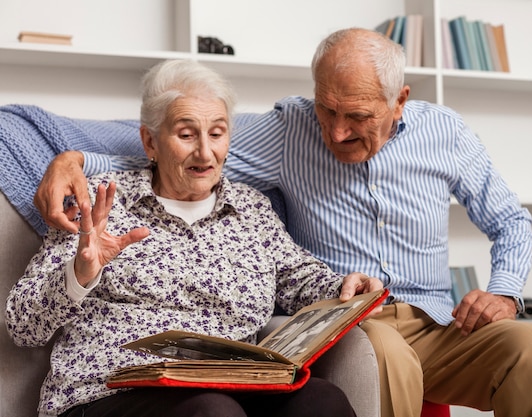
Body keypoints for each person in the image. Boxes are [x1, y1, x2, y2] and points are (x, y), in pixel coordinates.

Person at [32, 28, 532, 417]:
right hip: (358, 325)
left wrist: (503, 292)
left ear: (399, 102)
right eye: (325, 110)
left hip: (437, 318)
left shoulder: (444, 133)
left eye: (356, 116)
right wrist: (72, 159)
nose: (335, 133)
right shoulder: (289, 132)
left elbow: (509, 219)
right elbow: (168, 143)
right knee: (383, 359)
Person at [5, 59, 384, 417]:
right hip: (110, 392)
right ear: (150, 142)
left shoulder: (251, 209)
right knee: (213, 411)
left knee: (321, 400)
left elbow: (299, 278)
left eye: (217, 133)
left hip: (233, 387)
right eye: (186, 135)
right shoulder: (100, 203)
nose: (205, 152)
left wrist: (344, 285)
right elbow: (23, 326)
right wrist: (79, 274)